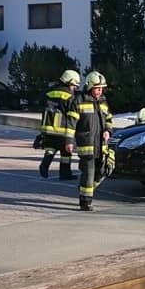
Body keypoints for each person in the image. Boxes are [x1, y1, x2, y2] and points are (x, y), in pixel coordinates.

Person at [72, 71, 113, 211]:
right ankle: (85, 202)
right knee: (88, 173)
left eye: (102, 88)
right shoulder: (79, 100)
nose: (100, 91)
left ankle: (84, 188)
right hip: (87, 145)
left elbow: (108, 119)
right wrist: (68, 141)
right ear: (89, 87)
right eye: (97, 88)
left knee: (103, 171)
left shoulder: (103, 101)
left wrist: (108, 130)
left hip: (101, 145)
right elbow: (71, 123)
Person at [38, 69, 79, 180]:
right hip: (62, 129)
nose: (74, 88)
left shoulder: (49, 92)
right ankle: (65, 174)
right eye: (74, 85)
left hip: (48, 128)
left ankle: (44, 166)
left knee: (50, 149)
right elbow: (71, 115)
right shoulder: (70, 97)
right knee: (66, 153)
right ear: (69, 82)